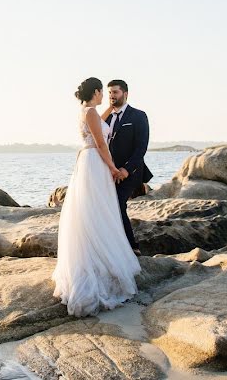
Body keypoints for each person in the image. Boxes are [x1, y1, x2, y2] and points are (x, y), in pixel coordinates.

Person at [52, 77, 141, 317]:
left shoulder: (90, 111)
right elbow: (101, 144)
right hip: (95, 161)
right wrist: (113, 168)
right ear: (97, 91)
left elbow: (99, 126)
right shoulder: (90, 112)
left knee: (98, 209)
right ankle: (98, 260)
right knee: (96, 209)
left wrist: (110, 109)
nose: (106, 97)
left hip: (91, 162)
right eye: (103, 92)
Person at [102, 79, 153, 256]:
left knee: (117, 202)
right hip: (108, 172)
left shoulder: (138, 116)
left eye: (115, 92)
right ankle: (114, 244)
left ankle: (132, 246)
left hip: (132, 172)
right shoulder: (106, 117)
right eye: (109, 93)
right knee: (107, 205)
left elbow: (141, 148)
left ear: (125, 93)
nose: (111, 96)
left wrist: (126, 169)